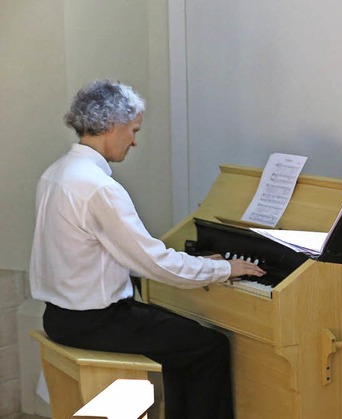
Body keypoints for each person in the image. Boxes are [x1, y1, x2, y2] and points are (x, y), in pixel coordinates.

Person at [29, 79, 266, 419]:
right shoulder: (99, 188)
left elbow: (124, 254)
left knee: (180, 342)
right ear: (112, 124)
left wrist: (195, 262)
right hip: (96, 321)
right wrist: (226, 268)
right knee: (209, 347)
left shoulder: (57, 173)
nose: (135, 141)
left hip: (59, 315)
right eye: (133, 129)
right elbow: (154, 262)